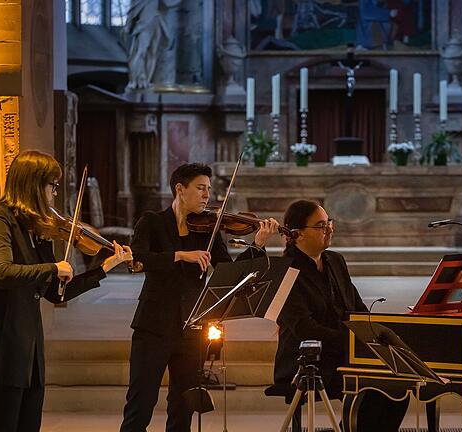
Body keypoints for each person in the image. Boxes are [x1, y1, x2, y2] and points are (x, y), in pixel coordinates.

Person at [0, 150, 133, 432]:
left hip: (28, 346)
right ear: (32, 184)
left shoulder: (36, 227)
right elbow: (0, 272)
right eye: (52, 186)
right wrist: (52, 267)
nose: (55, 194)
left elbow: (56, 294)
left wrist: (104, 268)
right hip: (0, 342)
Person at [120, 163, 279, 432]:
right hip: (153, 327)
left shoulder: (208, 230)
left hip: (192, 328)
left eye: (209, 189)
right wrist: (180, 255)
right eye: (201, 188)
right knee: (140, 404)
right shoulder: (153, 222)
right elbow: (136, 259)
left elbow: (230, 272)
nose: (207, 195)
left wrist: (258, 243)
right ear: (180, 189)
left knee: (183, 408)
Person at [270, 199, 408, 432]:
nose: (329, 229)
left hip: (344, 354)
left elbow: (356, 309)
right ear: (298, 234)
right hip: (306, 361)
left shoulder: (335, 260)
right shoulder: (285, 270)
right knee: (372, 390)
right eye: (321, 225)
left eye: (329, 223)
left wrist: (375, 334)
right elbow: (304, 328)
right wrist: (351, 344)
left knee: (398, 388)